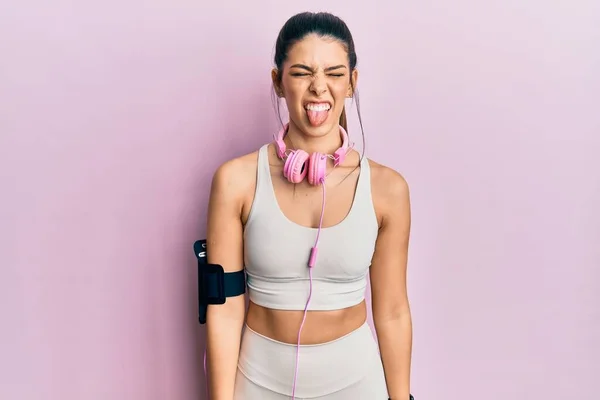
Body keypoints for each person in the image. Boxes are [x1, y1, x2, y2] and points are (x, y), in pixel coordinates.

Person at [205, 11, 412, 400]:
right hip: (257, 382)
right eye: (301, 73)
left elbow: (393, 311)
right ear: (278, 83)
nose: (319, 87)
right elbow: (225, 310)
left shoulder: (388, 189)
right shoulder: (235, 181)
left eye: (335, 73)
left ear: (351, 83)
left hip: (358, 384)